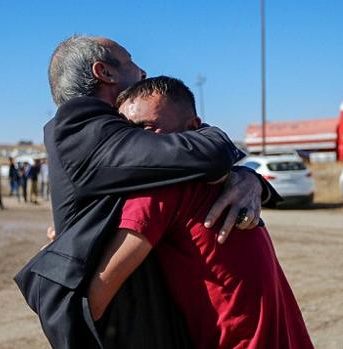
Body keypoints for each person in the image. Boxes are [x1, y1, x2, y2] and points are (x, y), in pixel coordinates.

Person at [15, 35, 280, 349]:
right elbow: (204, 155)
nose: (142, 72)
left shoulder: (103, 133)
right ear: (105, 72)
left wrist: (248, 179)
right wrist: (220, 148)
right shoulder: (80, 127)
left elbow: (177, 163)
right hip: (126, 327)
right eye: (131, 62)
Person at [88, 76, 313, 348]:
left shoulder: (163, 191)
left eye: (147, 129)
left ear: (193, 128)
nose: (135, 144)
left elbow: (95, 299)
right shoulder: (226, 178)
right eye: (127, 134)